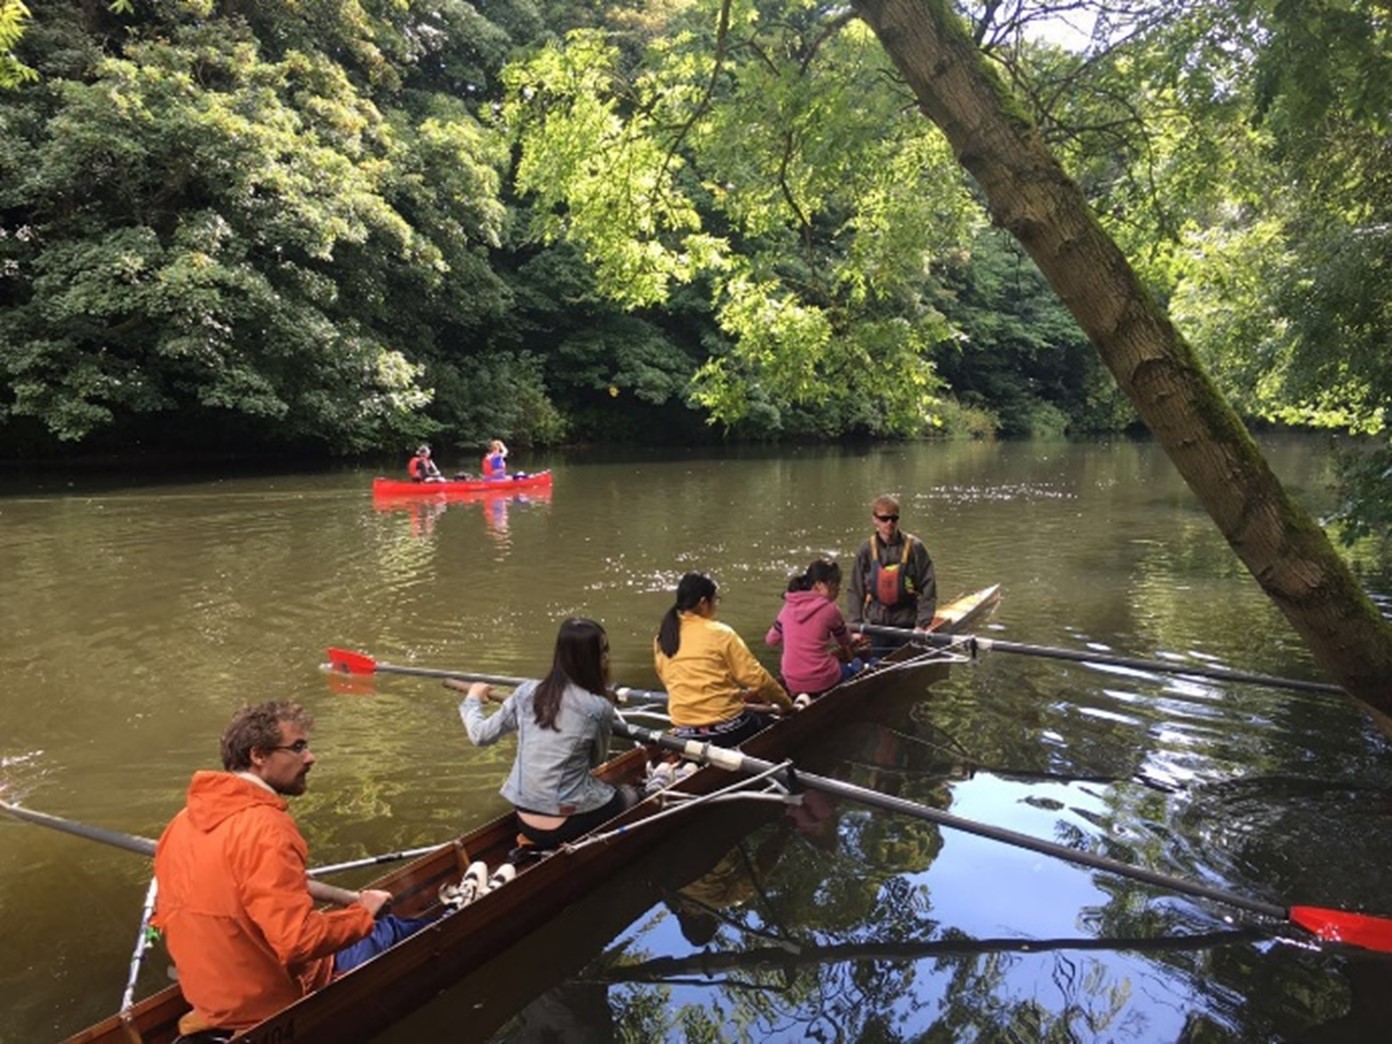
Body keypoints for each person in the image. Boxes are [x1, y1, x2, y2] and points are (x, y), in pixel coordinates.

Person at [152, 702, 433, 1038]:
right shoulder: (267, 828)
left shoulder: (181, 823)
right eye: (298, 747)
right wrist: (361, 913)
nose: (311, 757)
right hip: (267, 1004)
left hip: (211, 998)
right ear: (258, 755)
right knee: (397, 929)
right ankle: (456, 910)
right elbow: (298, 942)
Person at [450, 618, 638, 850]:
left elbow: (480, 735)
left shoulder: (526, 692)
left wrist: (473, 698)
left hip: (524, 818)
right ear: (597, 658)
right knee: (629, 796)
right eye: (604, 652)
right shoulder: (598, 707)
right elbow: (596, 761)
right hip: (564, 822)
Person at [654, 572, 793, 748]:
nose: (716, 606)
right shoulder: (719, 633)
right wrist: (786, 705)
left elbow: (668, 680)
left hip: (682, 731)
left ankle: (685, 765)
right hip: (725, 730)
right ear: (704, 602)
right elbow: (758, 679)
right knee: (775, 728)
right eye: (716, 600)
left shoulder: (662, 637)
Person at [847, 494, 937, 653]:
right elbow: (855, 590)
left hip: (907, 624)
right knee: (878, 660)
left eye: (894, 518)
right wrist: (855, 625)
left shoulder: (915, 547)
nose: (889, 523)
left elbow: (928, 587)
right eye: (884, 518)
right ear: (874, 519)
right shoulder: (866, 550)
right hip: (877, 624)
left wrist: (922, 625)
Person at [766, 558, 866, 696]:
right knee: (857, 666)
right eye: (834, 584)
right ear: (818, 585)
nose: (838, 589)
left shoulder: (788, 606)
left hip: (791, 681)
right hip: (822, 679)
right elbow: (846, 641)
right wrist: (853, 637)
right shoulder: (830, 609)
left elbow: (771, 640)